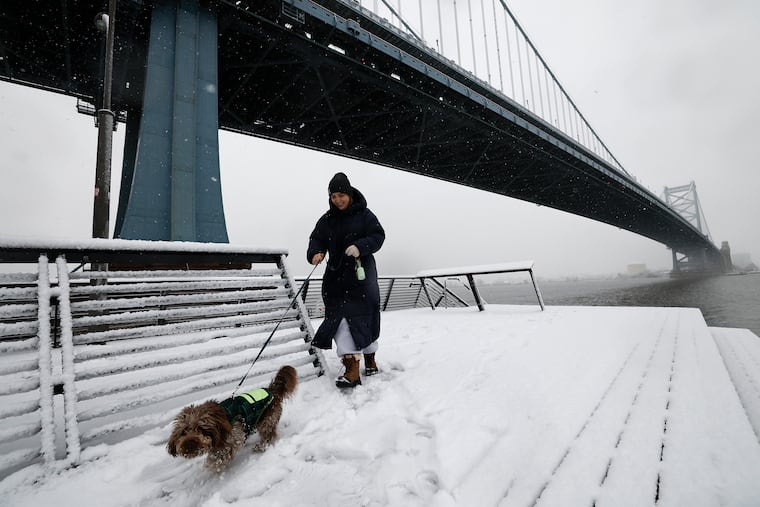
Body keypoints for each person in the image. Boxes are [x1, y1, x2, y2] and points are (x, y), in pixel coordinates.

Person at [307, 172, 386, 388]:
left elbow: (378, 236)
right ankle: (352, 368)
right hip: (336, 278)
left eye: (341, 195)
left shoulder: (365, 215)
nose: (338, 200)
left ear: (349, 194)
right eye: (334, 196)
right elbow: (316, 238)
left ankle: (369, 359)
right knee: (339, 319)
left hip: (362, 277)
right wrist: (316, 252)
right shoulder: (327, 219)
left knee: (364, 318)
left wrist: (361, 246)